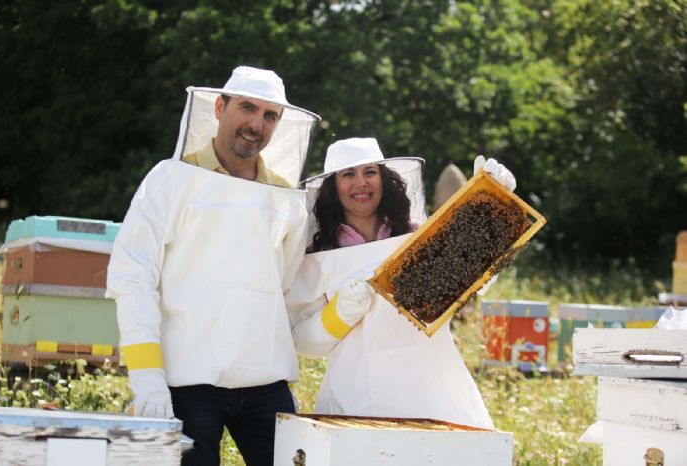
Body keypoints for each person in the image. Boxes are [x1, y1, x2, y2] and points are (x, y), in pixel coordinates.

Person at [106, 66, 320, 466]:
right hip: (187, 380)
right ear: (219, 107)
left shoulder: (287, 197)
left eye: (270, 115)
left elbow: (285, 284)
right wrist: (147, 377)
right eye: (247, 108)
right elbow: (132, 277)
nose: (256, 124)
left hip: (265, 381)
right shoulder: (170, 179)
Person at [288, 137, 515, 428]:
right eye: (349, 174)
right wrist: (339, 314)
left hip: (433, 392)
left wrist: (494, 206)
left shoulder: (417, 237)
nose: (361, 183)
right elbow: (305, 343)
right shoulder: (319, 256)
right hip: (356, 399)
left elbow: (472, 279)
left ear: (383, 179)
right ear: (333, 187)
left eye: (370, 172)